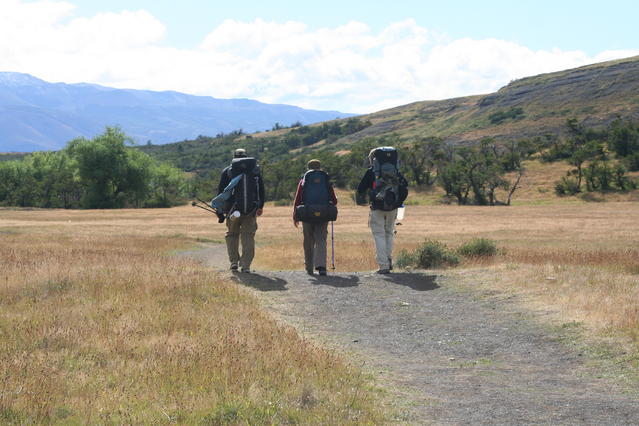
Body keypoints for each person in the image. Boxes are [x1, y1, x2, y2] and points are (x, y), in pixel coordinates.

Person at [357, 147, 408, 274]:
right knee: (389, 233)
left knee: (379, 234)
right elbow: (405, 185)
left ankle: (383, 266)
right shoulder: (396, 171)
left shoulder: (372, 172)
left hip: (377, 206)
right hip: (393, 207)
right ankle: (389, 260)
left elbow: (360, 189)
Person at [217, 148, 265, 273]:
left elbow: (221, 193)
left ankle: (233, 262)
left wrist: (220, 212)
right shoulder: (254, 171)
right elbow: (261, 190)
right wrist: (260, 206)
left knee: (232, 235)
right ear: (246, 156)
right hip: (250, 209)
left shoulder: (227, 171)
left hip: (232, 211)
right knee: (248, 236)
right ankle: (246, 265)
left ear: (234, 157)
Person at [293, 159, 338, 276]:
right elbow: (334, 200)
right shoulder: (325, 180)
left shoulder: (304, 179)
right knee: (321, 240)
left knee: (308, 240)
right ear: (320, 167)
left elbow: (298, 198)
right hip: (323, 214)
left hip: (307, 213)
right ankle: (321, 266)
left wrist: (295, 215)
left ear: (308, 167)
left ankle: (309, 267)